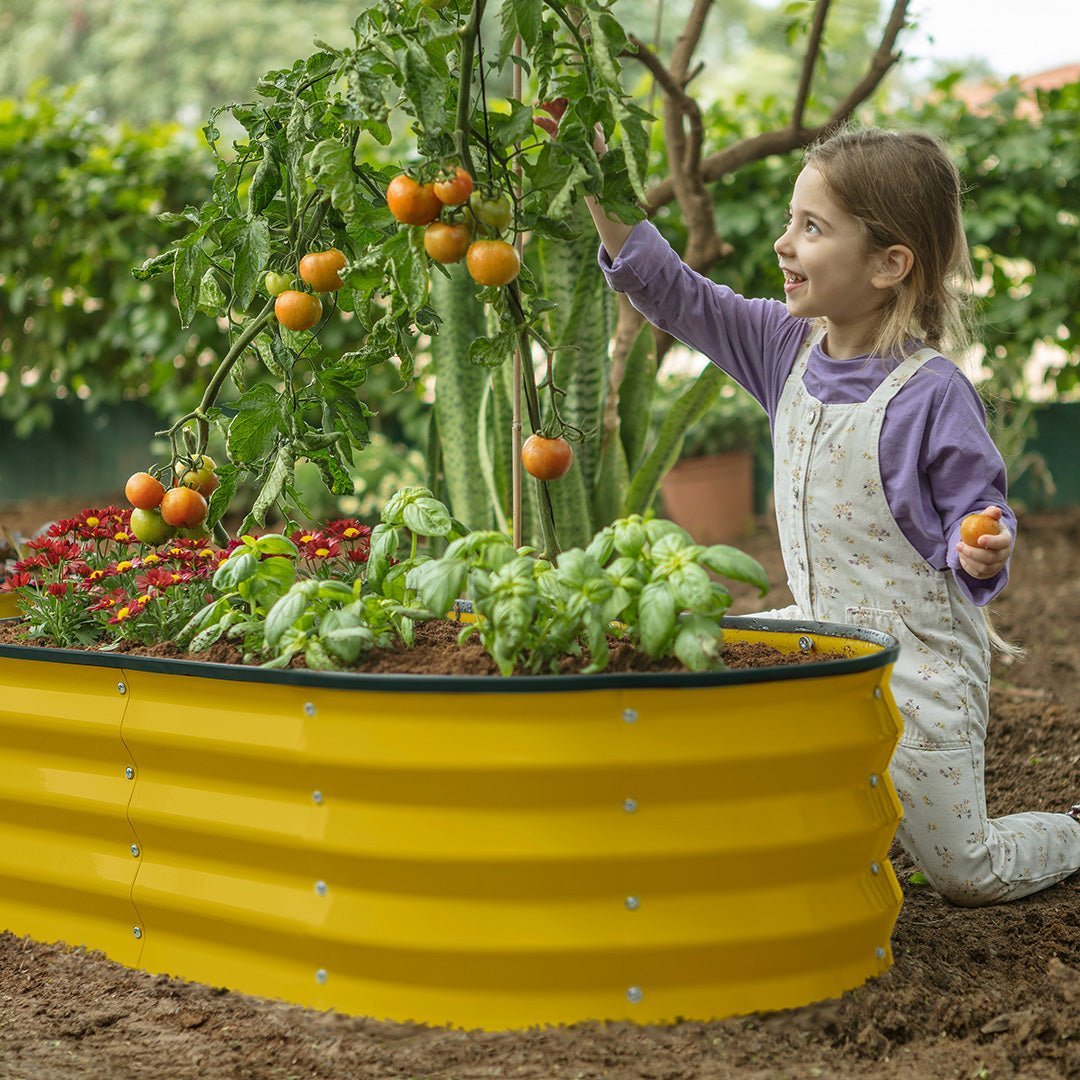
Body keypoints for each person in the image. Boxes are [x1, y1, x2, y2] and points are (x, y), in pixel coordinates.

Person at [586, 125, 1080, 906]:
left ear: (890, 264)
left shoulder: (931, 392)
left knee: (962, 872)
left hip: (916, 670)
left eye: (811, 228)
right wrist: (592, 169)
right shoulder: (783, 347)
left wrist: (981, 545)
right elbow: (672, 289)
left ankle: (1074, 827)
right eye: (791, 221)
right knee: (695, 662)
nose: (784, 244)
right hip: (821, 634)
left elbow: (978, 512)